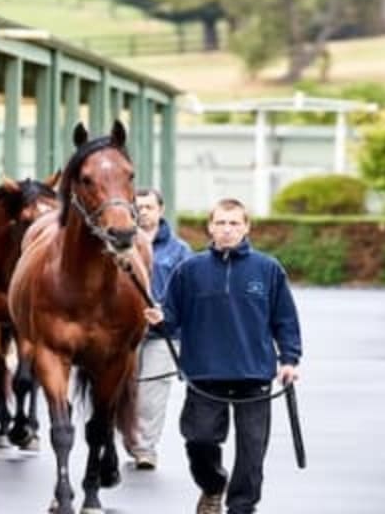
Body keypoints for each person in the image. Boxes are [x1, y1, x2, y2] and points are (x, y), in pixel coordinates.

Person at [146, 198, 302, 514]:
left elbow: (285, 320)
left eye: (234, 223)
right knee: (199, 440)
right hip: (204, 374)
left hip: (254, 374)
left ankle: (241, 507)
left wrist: (289, 360)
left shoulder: (268, 269)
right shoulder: (189, 270)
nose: (227, 230)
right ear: (210, 227)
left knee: (252, 452)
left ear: (246, 227)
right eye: (221, 223)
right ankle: (213, 486)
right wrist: (159, 319)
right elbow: (171, 318)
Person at [126, 187, 192, 470]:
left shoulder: (179, 251)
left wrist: (166, 313)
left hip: (162, 335)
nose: (142, 212)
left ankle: (145, 449)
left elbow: (189, 291)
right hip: (124, 336)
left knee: (152, 393)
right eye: (137, 206)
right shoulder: (119, 245)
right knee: (120, 393)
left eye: (148, 207)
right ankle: (126, 441)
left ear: (160, 210)